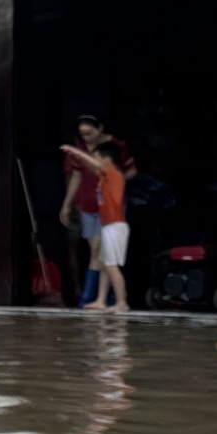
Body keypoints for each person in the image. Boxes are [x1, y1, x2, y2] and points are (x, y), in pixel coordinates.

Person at [57, 115, 136, 308]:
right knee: (103, 261)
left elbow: (99, 166)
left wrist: (74, 151)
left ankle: (119, 301)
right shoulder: (103, 177)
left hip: (113, 224)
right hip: (106, 223)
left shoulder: (113, 173)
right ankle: (100, 300)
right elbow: (83, 173)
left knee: (107, 263)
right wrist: (68, 204)